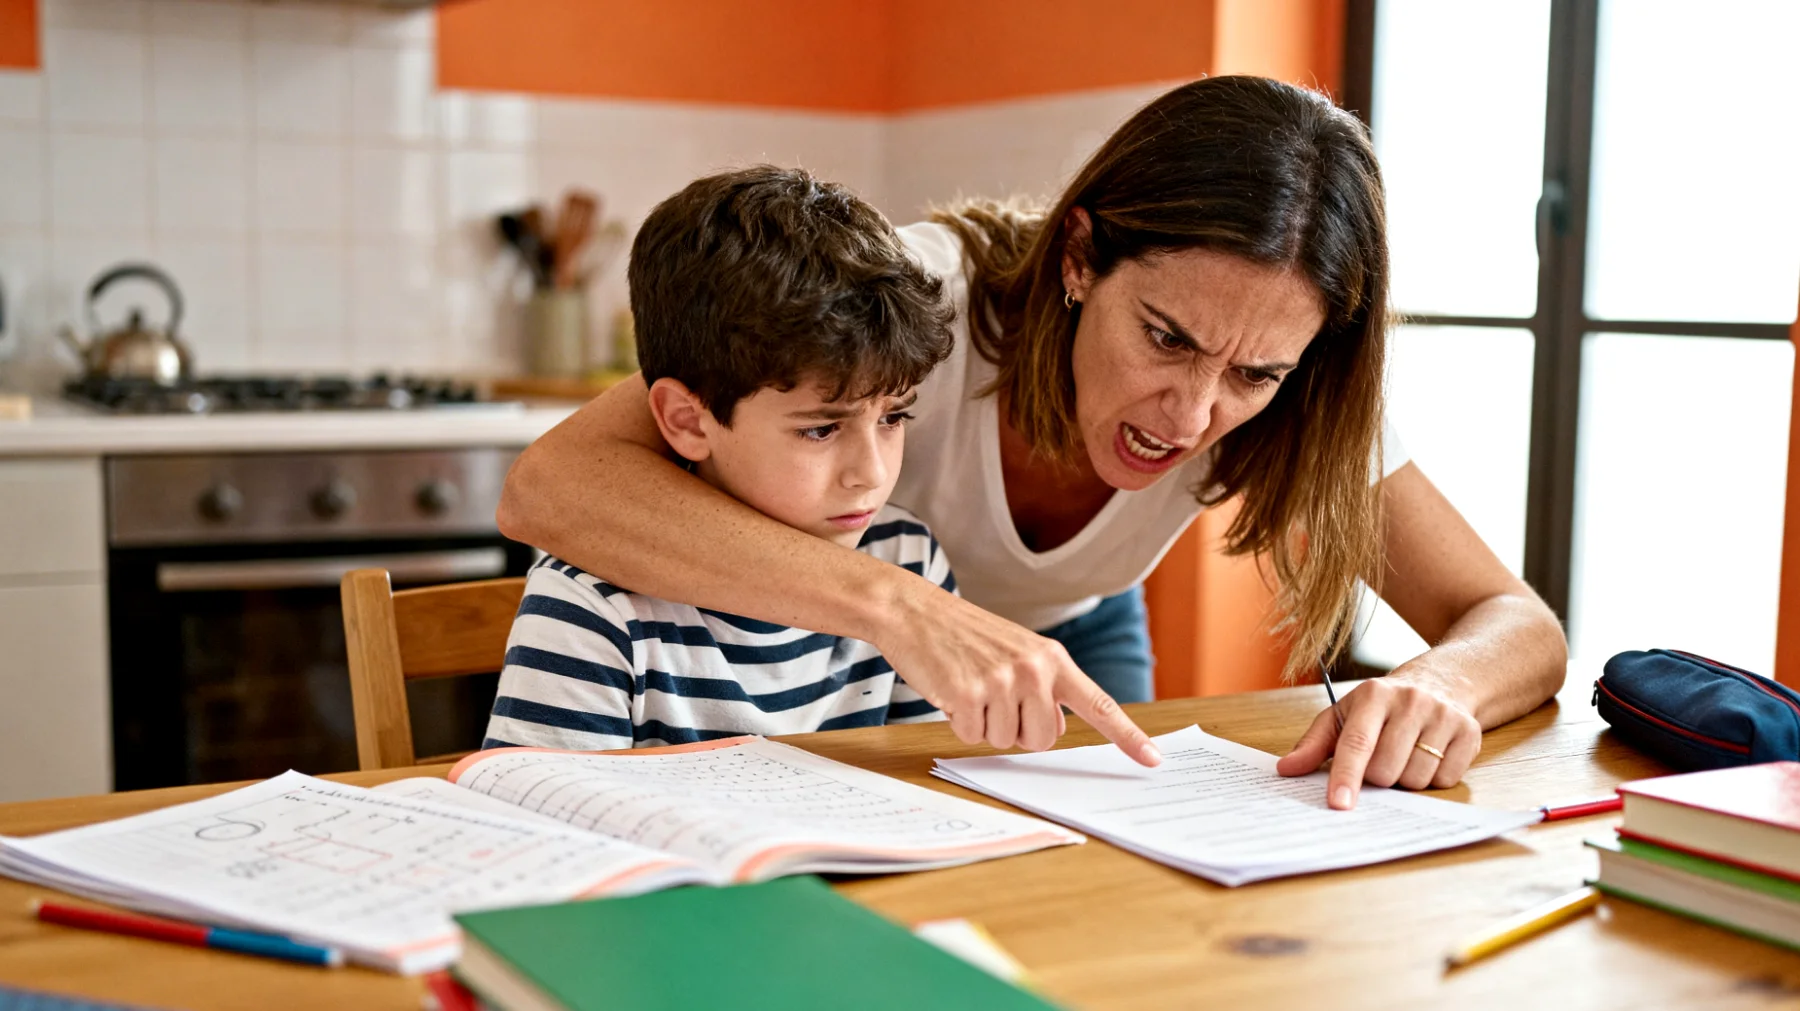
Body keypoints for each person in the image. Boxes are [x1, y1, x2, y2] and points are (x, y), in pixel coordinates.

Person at [496, 76, 1569, 807]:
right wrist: (902, 607)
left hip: (1073, 641)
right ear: (1078, 257)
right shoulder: (916, 298)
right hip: (854, 645)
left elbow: (1515, 623)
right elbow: (552, 483)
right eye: (1164, 337)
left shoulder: (1295, 377)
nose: (1191, 417)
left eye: (1252, 375)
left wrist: (1441, 689)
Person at [482, 166, 955, 751]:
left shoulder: (907, 559)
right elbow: (548, 820)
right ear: (687, 420)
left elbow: (933, 788)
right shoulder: (592, 605)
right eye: (821, 430)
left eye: (892, 418)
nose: (872, 475)